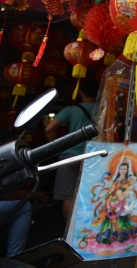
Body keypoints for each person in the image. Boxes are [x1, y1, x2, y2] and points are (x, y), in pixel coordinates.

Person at [45, 80, 99, 221]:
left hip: (71, 157)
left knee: (69, 196)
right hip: (95, 158)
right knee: (94, 195)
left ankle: (69, 235)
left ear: (80, 92)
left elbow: (49, 129)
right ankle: (88, 232)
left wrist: (57, 150)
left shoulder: (71, 110)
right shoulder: (104, 109)